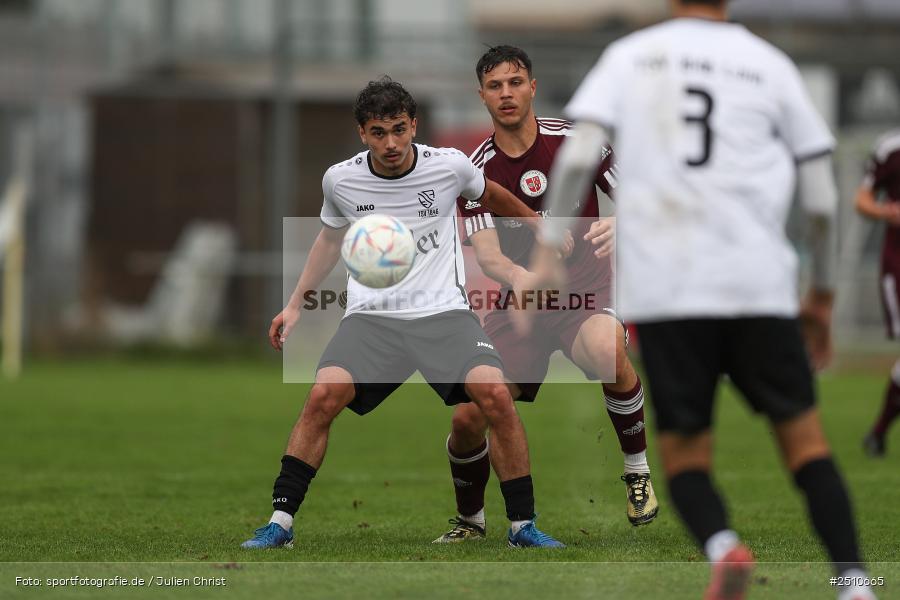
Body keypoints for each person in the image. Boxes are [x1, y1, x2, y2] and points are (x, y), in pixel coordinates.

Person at [536, 1, 876, 598]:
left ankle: (723, 546)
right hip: (758, 285)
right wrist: (821, 296)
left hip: (669, 292)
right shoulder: (768, 63)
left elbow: (581, 155)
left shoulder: (629, 57)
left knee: (687, 455)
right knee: (806, 445)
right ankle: (854, 584)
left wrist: (544, 250)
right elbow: (821, 198)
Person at [240, 76, 564, 550]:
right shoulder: (341, 179)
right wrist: (295, 305)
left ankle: (522, 526)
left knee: (495, 396)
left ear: (413, 125)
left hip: (443, 314)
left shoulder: (449, 167)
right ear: (362, 134)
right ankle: (280, 524)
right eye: (377, 132)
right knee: (321, 397)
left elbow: (490, 194)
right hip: (373, 318)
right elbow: (329, 240)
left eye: (398, 129)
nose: (390, 143)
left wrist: (538, 224)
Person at [431, 45, 657, 545]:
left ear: (532, 87)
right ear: (482, 95)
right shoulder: (474, 171)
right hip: (522, 306)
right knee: (468, 415)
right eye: (495, 86)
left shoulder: (578, 144)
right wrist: (522, 277)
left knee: (606, 351)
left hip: (586, 294)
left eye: (515, 82)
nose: (506, 93)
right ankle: (470, 521)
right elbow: (488, 258)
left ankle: (637, 472)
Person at [856, 128, 900, 457]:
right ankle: (878, 432)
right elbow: (863, 200)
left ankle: (877, 433)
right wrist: (888, 212)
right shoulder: (890, 147)